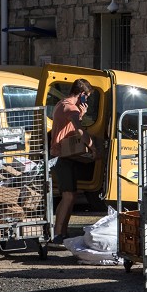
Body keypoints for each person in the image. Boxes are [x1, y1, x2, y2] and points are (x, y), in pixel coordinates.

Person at [49, 78, 94, 243]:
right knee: (68, 196)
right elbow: (79, 130)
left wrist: (81, 114)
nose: (87, 99)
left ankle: (61, 231)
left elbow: (70, 125)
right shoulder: (71, 108)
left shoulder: (62, 103)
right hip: (62, 156)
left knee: (70, 195)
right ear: (82, 94)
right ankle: (58, 233)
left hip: (62, 154)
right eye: (87, 96)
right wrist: (93, 148)